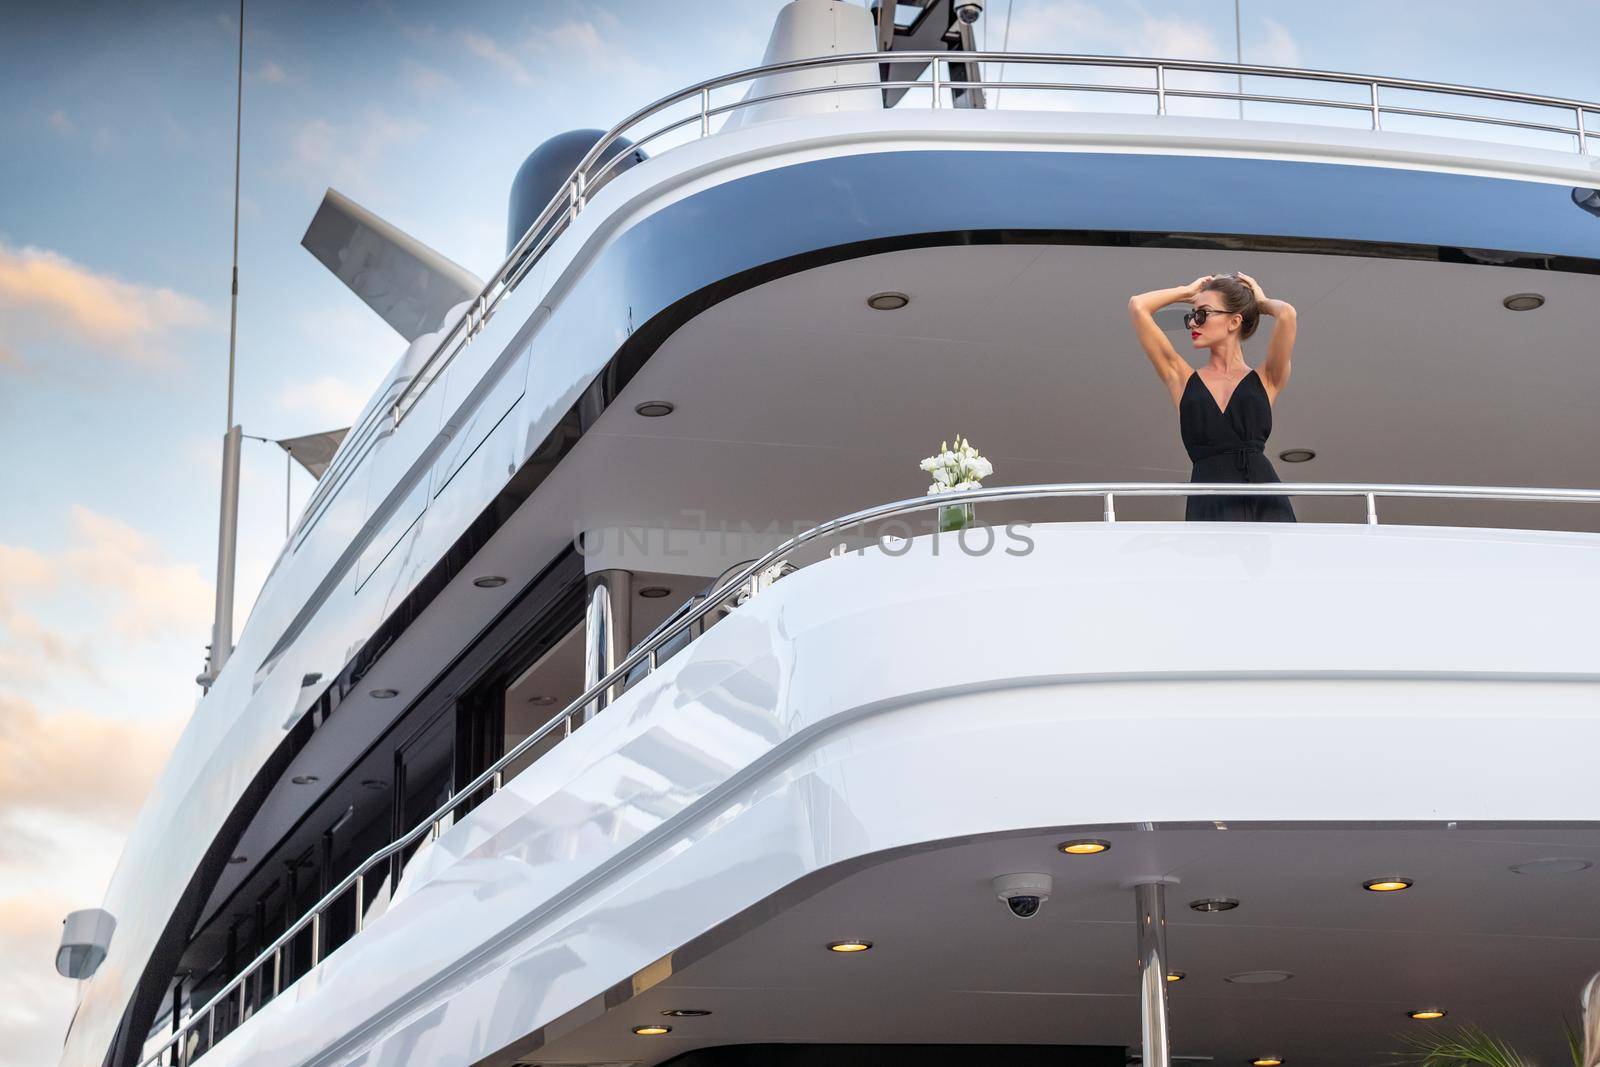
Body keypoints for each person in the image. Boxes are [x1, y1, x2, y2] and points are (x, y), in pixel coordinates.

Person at [1127, 271, 1299, 522]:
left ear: (1234, 321)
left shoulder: (1267, 377)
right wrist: (1186, 292)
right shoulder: (1181, 379)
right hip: (1208, 500)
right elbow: (1138, 306)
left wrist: (1259, 303)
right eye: (1192, 316)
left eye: (1202, 314)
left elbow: (1287, 314)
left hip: (1266, 502)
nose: (1193, 323)